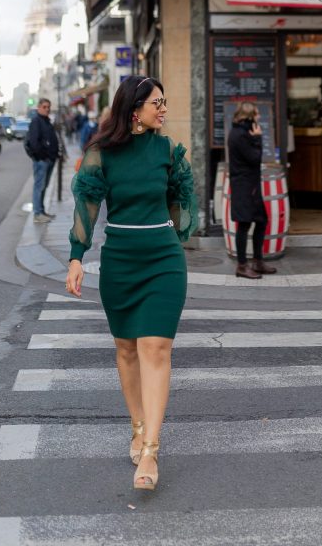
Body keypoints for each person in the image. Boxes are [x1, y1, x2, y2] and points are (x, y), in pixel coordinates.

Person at [65, 75, 198, 491]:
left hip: (162, 260)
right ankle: (137, 426)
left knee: (155, 349)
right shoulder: (102, 154)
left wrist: (174, 237)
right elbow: (87, 205)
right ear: (134, 109)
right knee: (126, 350)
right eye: (157, 102)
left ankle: (151, 451)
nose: (163, 109)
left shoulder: (170, 151)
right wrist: (75, 256)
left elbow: (182, 202)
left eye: (165, 101)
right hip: (120, 260)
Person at [227, 102, 277, 279]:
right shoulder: (240, 135)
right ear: (249, 117)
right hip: (244, 187)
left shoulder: (242, 132)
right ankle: (242, 266)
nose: (259, 117)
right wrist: (258, 138)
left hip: (250, 186)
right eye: (256, 115)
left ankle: (257, 261)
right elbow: (255, 159)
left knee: (261, 221)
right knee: (244, 224)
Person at [25, 97, 59, 223]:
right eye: (44, 107)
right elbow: (34, 143)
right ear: (39, 107)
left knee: (44, 186)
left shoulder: (46, 121)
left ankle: (42, 211)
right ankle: (37, 214)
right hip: (42, 160)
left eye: (48, 107)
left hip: (49, 159)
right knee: (39, 186)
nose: (47, 109)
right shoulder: (36, 121)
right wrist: (42, 156)